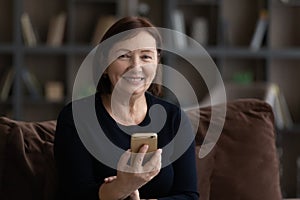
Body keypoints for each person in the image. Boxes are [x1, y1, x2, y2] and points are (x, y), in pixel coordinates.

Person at [54, 16, 199, 200]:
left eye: (146, 56)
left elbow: (189, 195)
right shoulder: (76, 118)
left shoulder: (174, 118)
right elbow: (74, 194)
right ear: (104, 65)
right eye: (123, 56)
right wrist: (122, 187)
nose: (136, 67)